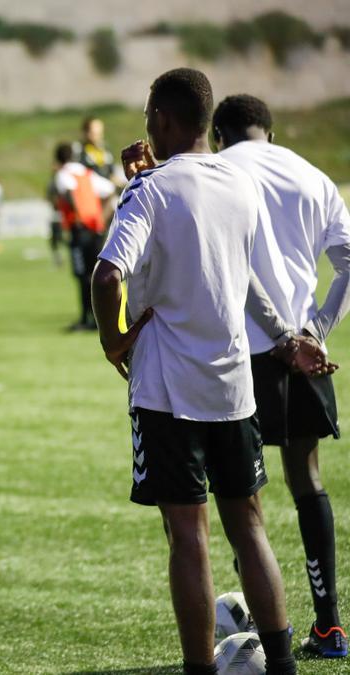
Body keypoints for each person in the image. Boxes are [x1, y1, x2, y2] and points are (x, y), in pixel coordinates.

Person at [92, 67, 312, 675]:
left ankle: (199, 669)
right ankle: (284, 661)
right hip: (233, 385)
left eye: (147, 119)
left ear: (161, 119)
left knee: (187, 535)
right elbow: (226, 263)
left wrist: (114, 342)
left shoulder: (150, 190)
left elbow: (109, 273)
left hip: (168, 390)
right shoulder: (239, 185)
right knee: (249, 525)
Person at [214, 93, 350, 658]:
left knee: (241, 502)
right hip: (303, 353)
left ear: (219, 134)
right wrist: (315, 330)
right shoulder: (312, 175)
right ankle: (330, 627)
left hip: (239, 354)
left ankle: (276, 637)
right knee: (308, 481)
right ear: (268, 130)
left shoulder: (219, 172)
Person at [54, 143, 115, 331]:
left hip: (79, 230)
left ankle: (86, 318)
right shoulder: (87, 173)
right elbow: (109, 190)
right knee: (97, 274)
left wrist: (77, 215)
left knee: (82, 276)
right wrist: (101, 217)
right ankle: (101, 318)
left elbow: (69, 192)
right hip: (96, 229)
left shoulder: (63, 174)